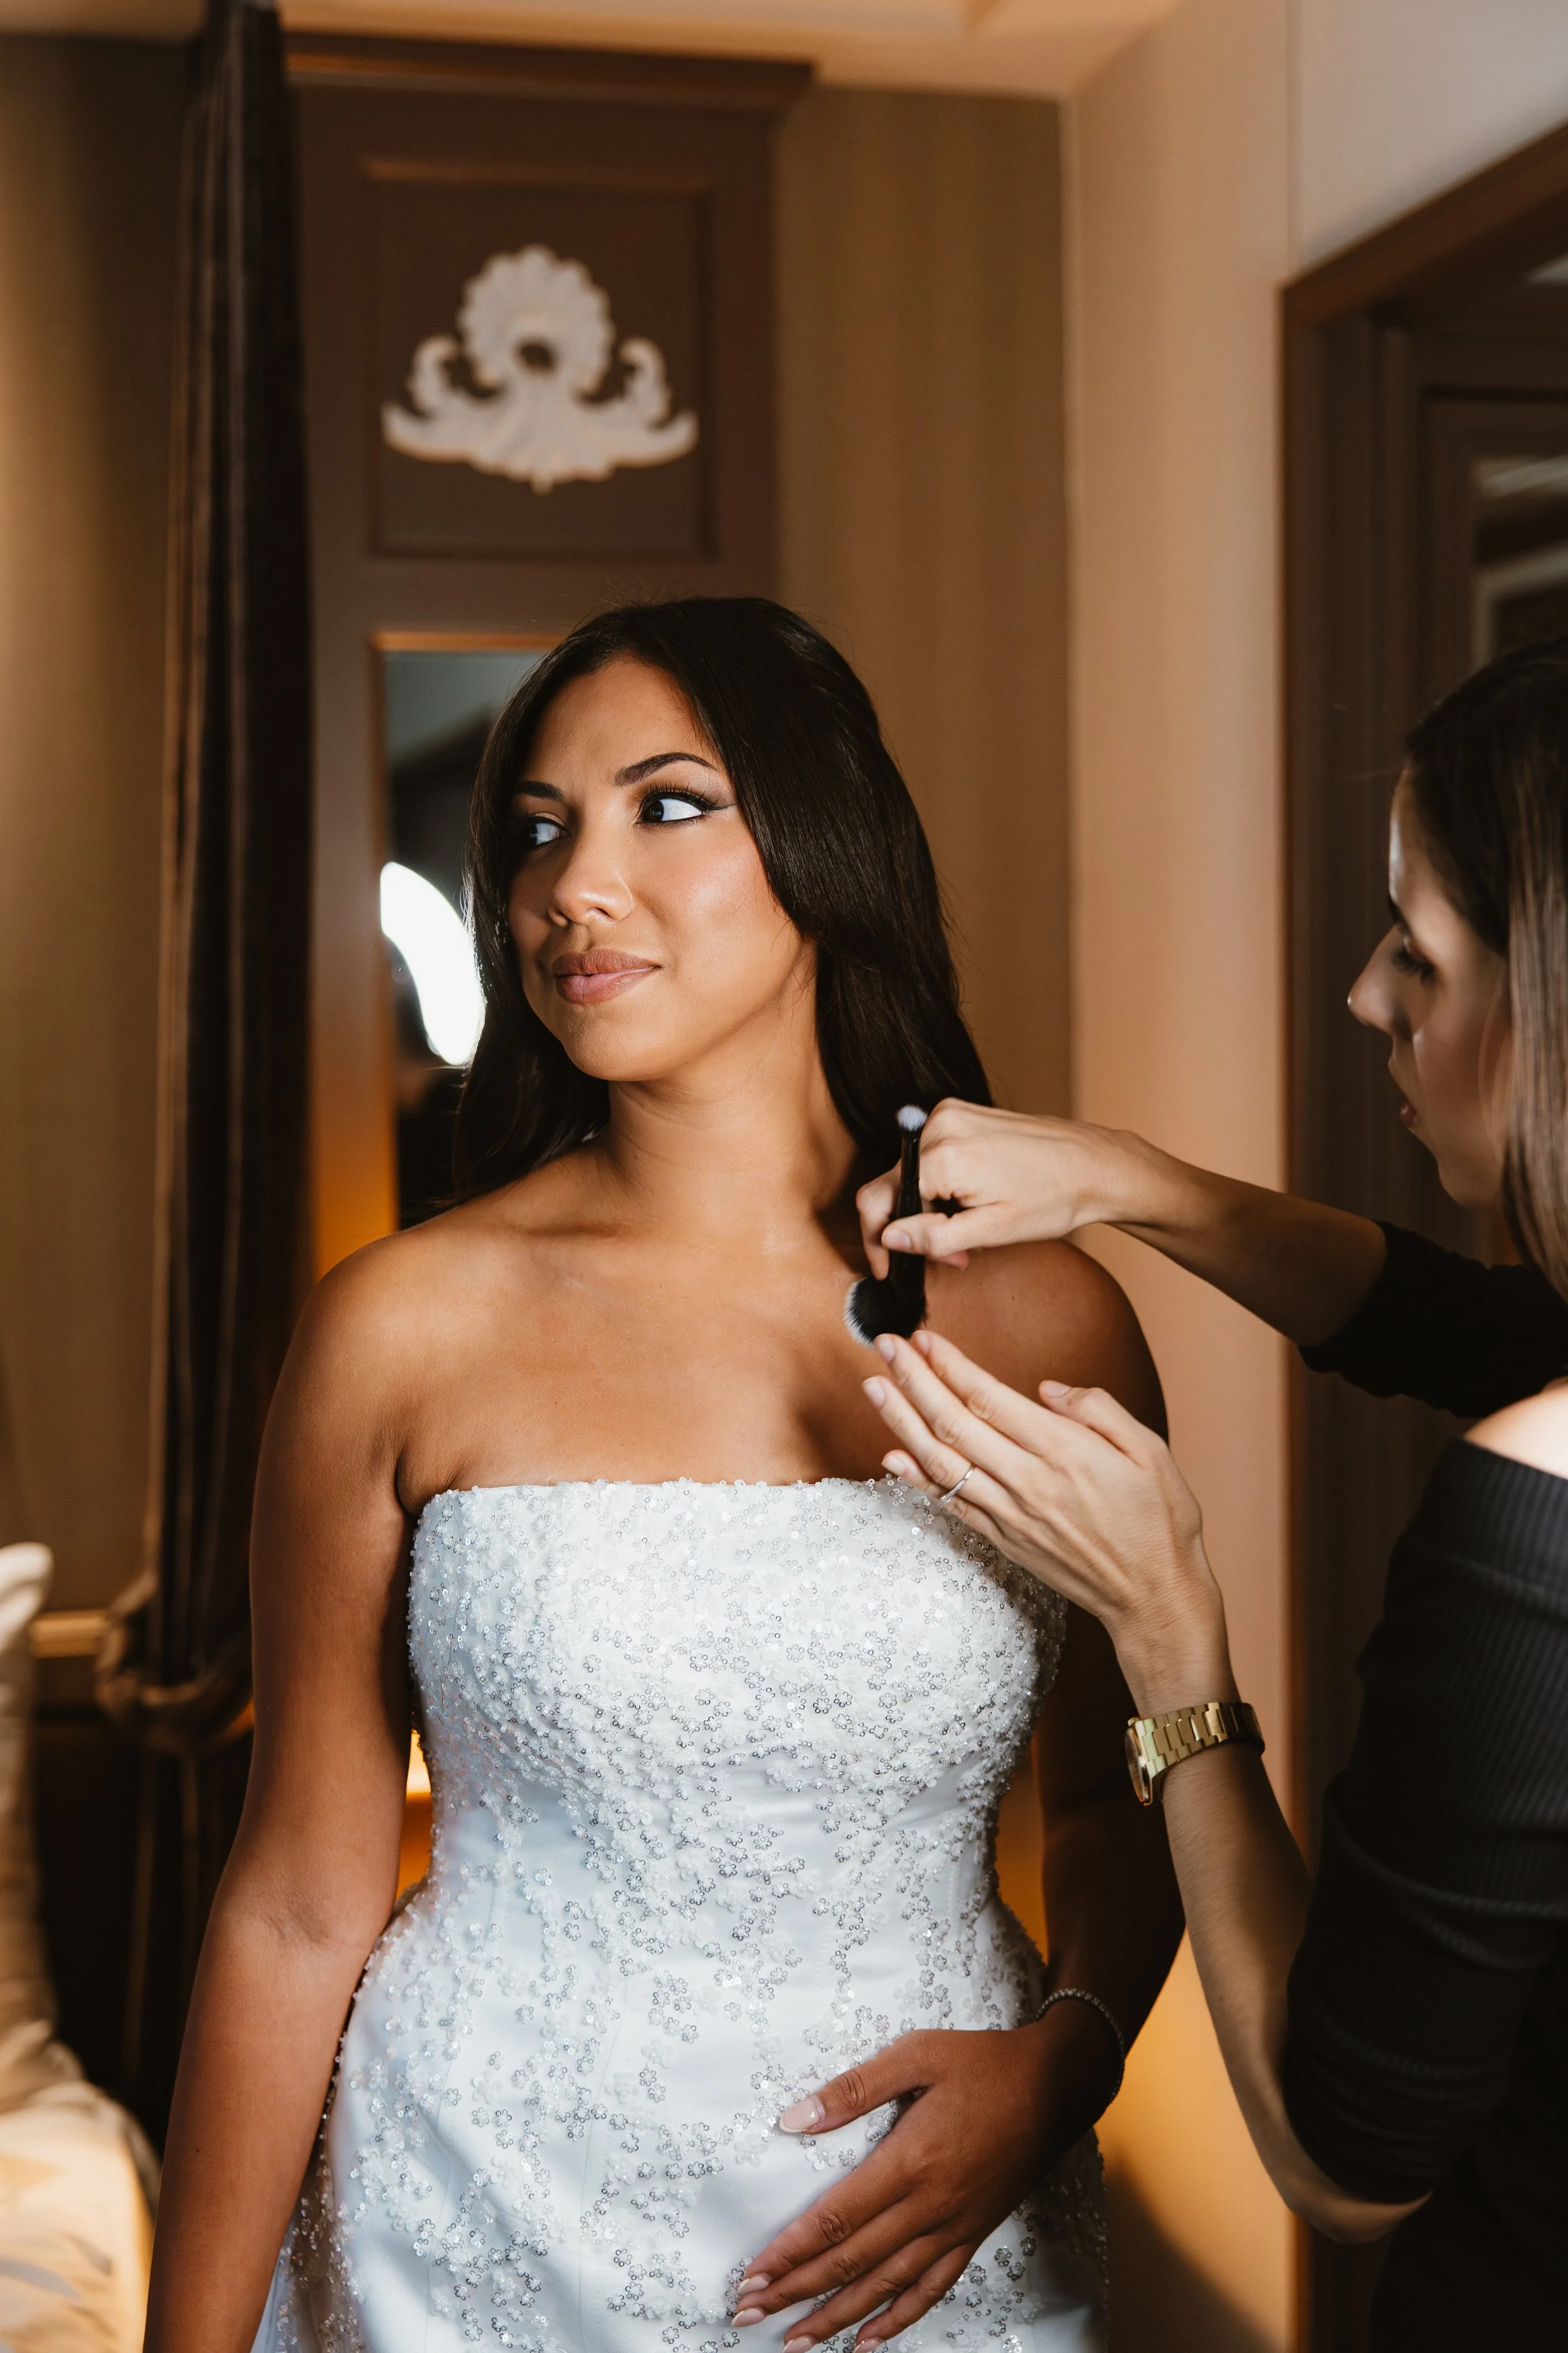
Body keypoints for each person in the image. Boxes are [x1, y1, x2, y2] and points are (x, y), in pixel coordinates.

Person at [144, 598, 1185, 2353]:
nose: (574, 886)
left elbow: (1124, 1797)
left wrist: (1062, 2062)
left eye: (667, 803)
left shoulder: (1039, 1309)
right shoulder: (399, 1323)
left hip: (917, 2221)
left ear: (825, 841)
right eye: (538, 831)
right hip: (460, 2211)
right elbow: (297, 1896)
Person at [786, 635, 1568, 2349]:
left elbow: (1346, 2159)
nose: (1368, 998)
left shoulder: (1536, 1513)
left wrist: (1168, 1643)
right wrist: (1140, 1183)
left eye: (1416, 953)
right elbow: (1480, 1322)